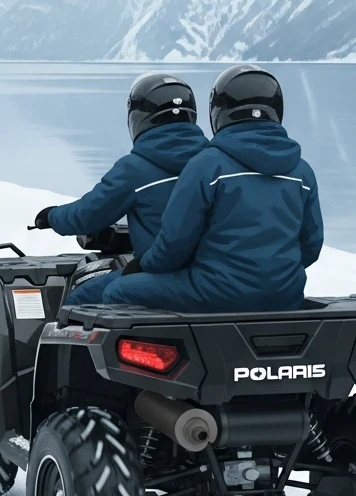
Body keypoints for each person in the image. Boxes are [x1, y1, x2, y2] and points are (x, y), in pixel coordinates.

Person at [102, 65, 324, 313]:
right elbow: (311, 245)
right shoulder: (302, 171)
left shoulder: (206, 166)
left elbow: (175, 243)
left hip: (215, 293)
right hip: (286, 295)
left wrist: (143, 265)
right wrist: (272, 277)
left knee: (117, 289)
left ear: (219, 112)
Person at [33, 73, 207, 304]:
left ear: (138, 118)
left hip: (162, 274)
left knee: (80, 298)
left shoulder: (134, 169)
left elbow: (87, 215)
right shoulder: (214, 160)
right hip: (214, 273)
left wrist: (51, 217)